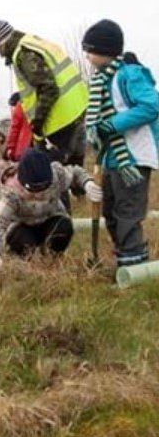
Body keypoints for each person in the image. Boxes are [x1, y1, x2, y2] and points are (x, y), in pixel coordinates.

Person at [82, 19, 159, 267]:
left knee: (127, 213)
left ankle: (134, 265)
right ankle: (124, 256)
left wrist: (112, 124)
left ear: (104, 50)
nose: (87, 56)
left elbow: (151, 106)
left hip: (134, 157)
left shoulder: (129, 74)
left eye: (90, 50)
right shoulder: (101, 81)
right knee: (111, 213)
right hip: (112, 158)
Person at [0, 20, 89, 165]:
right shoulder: (36, 43)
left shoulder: (23, 53)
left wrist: (37, 123)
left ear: (1, 42)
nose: (0, 55)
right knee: (76, 173)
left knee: (56, 176)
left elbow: (48, 88)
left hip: (59, 122)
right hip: (76, 112)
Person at [0, 149, 102, 270]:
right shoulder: (11, 194)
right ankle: (23, 262)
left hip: (50, 219)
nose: (39, 193)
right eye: (34, 189)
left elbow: (75, 173)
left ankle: (53, 258)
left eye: (44, 187)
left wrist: (87, 183)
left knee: (64, 227)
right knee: (23, 241)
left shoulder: (57, 174)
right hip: (22, 227)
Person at [4, 92, 32, 162]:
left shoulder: (19, 107)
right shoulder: (33, 103)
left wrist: (10, 148)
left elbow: (14, 129)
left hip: (25, 147)